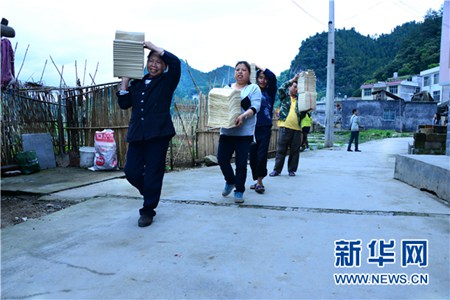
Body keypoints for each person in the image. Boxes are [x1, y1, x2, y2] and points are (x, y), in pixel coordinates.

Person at [117, 40, 181, 227]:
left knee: (154, 171)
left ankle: (148, 210)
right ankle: (150, 192)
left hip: (159, 134)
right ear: (146, 63)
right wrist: (125, 81)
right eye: (151, 61)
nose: (154, 65)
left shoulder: (167, 81)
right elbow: (124, 104)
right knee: (131, 171)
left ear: (164, 66)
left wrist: (152, 46)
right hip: (137, 134)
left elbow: (176, 63)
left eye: (158, 62)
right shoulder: (137, 84)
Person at [218, 61, 261, 203]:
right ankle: (230, 181)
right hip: (226, 132)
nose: (240, 72)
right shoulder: (226, 88)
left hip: (244, 134)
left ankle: (239, 190)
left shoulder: (253, 88)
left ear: (249, 74)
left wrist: (243, 116)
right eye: (237, 69)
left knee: (241, 163)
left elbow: (255, 107)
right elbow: (221, 107)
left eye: (244, 70)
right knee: (222, 159)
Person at [249, 65, 277, 194]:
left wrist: (262, 68)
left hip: (265, 128)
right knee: (253, 156)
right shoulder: (251, 91)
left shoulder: (270, 92)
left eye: (265, 78)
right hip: (251, 128)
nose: (263, 80)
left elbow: (273, 78)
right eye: (260, 78)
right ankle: (256, 180)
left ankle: (260, 182)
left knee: (262, 155)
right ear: (256, 78)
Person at [269, 73, 303, 177]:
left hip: (297, 129)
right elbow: (280, 88)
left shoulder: (301, 101)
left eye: (297, 88)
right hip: (284, 127)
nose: (296, 89)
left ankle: (291, 170)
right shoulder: (285, 97)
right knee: (281, 150)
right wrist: (293, 79)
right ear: (290, 87)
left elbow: (305, 113)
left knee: (295, 151)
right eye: (294, 86)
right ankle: (276, 170)